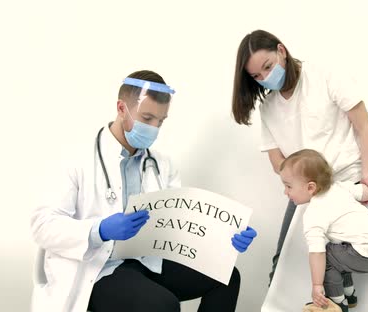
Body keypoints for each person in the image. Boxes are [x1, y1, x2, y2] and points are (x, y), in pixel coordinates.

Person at [30, 70, 257, 312]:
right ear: (121, 108)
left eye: (161, 121)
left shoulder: (162, 165)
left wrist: (223, 238)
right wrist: (99, 230)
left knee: (227, 277)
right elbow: (42, 226)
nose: (154, 128)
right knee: (162, 305)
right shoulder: (76, 159)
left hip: (148, 261)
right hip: (98, 269)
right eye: (147, 118)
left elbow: (179, 226)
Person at [231, 29, 368, 285]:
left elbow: (364, 126)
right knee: (283, 263)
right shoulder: (268, 107)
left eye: (268, 67)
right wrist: (297, 185)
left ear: (281, 51)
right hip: (306, 191)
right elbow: (278, 163)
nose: (265, 78)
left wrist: (366, 176)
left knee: (343, 265)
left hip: (347, 183)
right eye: (257, 76)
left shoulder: (325, 76)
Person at [279, 149, 368, 311]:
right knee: (337, 251)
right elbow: (366, 193)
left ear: (311, 187)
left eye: (288, 186)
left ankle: (336, 305)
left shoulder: (314, 213)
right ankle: (349, 295)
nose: (285, 192)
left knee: (328, 258)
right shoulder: (340, 187)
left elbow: (316, 253)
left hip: (367, 253)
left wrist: (317, 285)